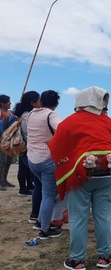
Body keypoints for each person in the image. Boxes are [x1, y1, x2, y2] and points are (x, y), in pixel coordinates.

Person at [48, 86, 111, 270]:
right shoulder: (108, 123)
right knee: (103, 216)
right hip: (106, 175)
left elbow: (56, 147)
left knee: (78, 218)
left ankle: (77, 260)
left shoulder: (69, 122)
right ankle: (105, 256)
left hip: (80, 177)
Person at [27, 90, 62, 239]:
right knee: (49, 194)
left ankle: (41, 221)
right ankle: (45, 230)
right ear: (57, 103)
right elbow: (63, 131)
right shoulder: (51, 115)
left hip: (32, 159)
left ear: (41, 100)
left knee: (46, 192)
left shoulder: (31, 114)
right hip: (46, 159)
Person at [14, 91, 41, 197]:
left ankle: (27, 187)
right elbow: (28, 133)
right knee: (25, 169)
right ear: (32, 103)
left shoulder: (23, 114)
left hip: (23, 146)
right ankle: (23, 189)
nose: (40, 102)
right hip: (26, 146)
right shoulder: (27, 116)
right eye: (39, 100)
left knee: (23, 168)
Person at [0, 94, 15, 190]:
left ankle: (4, 179)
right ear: (2, 103)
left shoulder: (11, 113)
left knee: (9, 160)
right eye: (8, 102)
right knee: (2, 161)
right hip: (1, 140)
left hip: (10, 140)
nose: (10, 103)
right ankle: (1, 181)